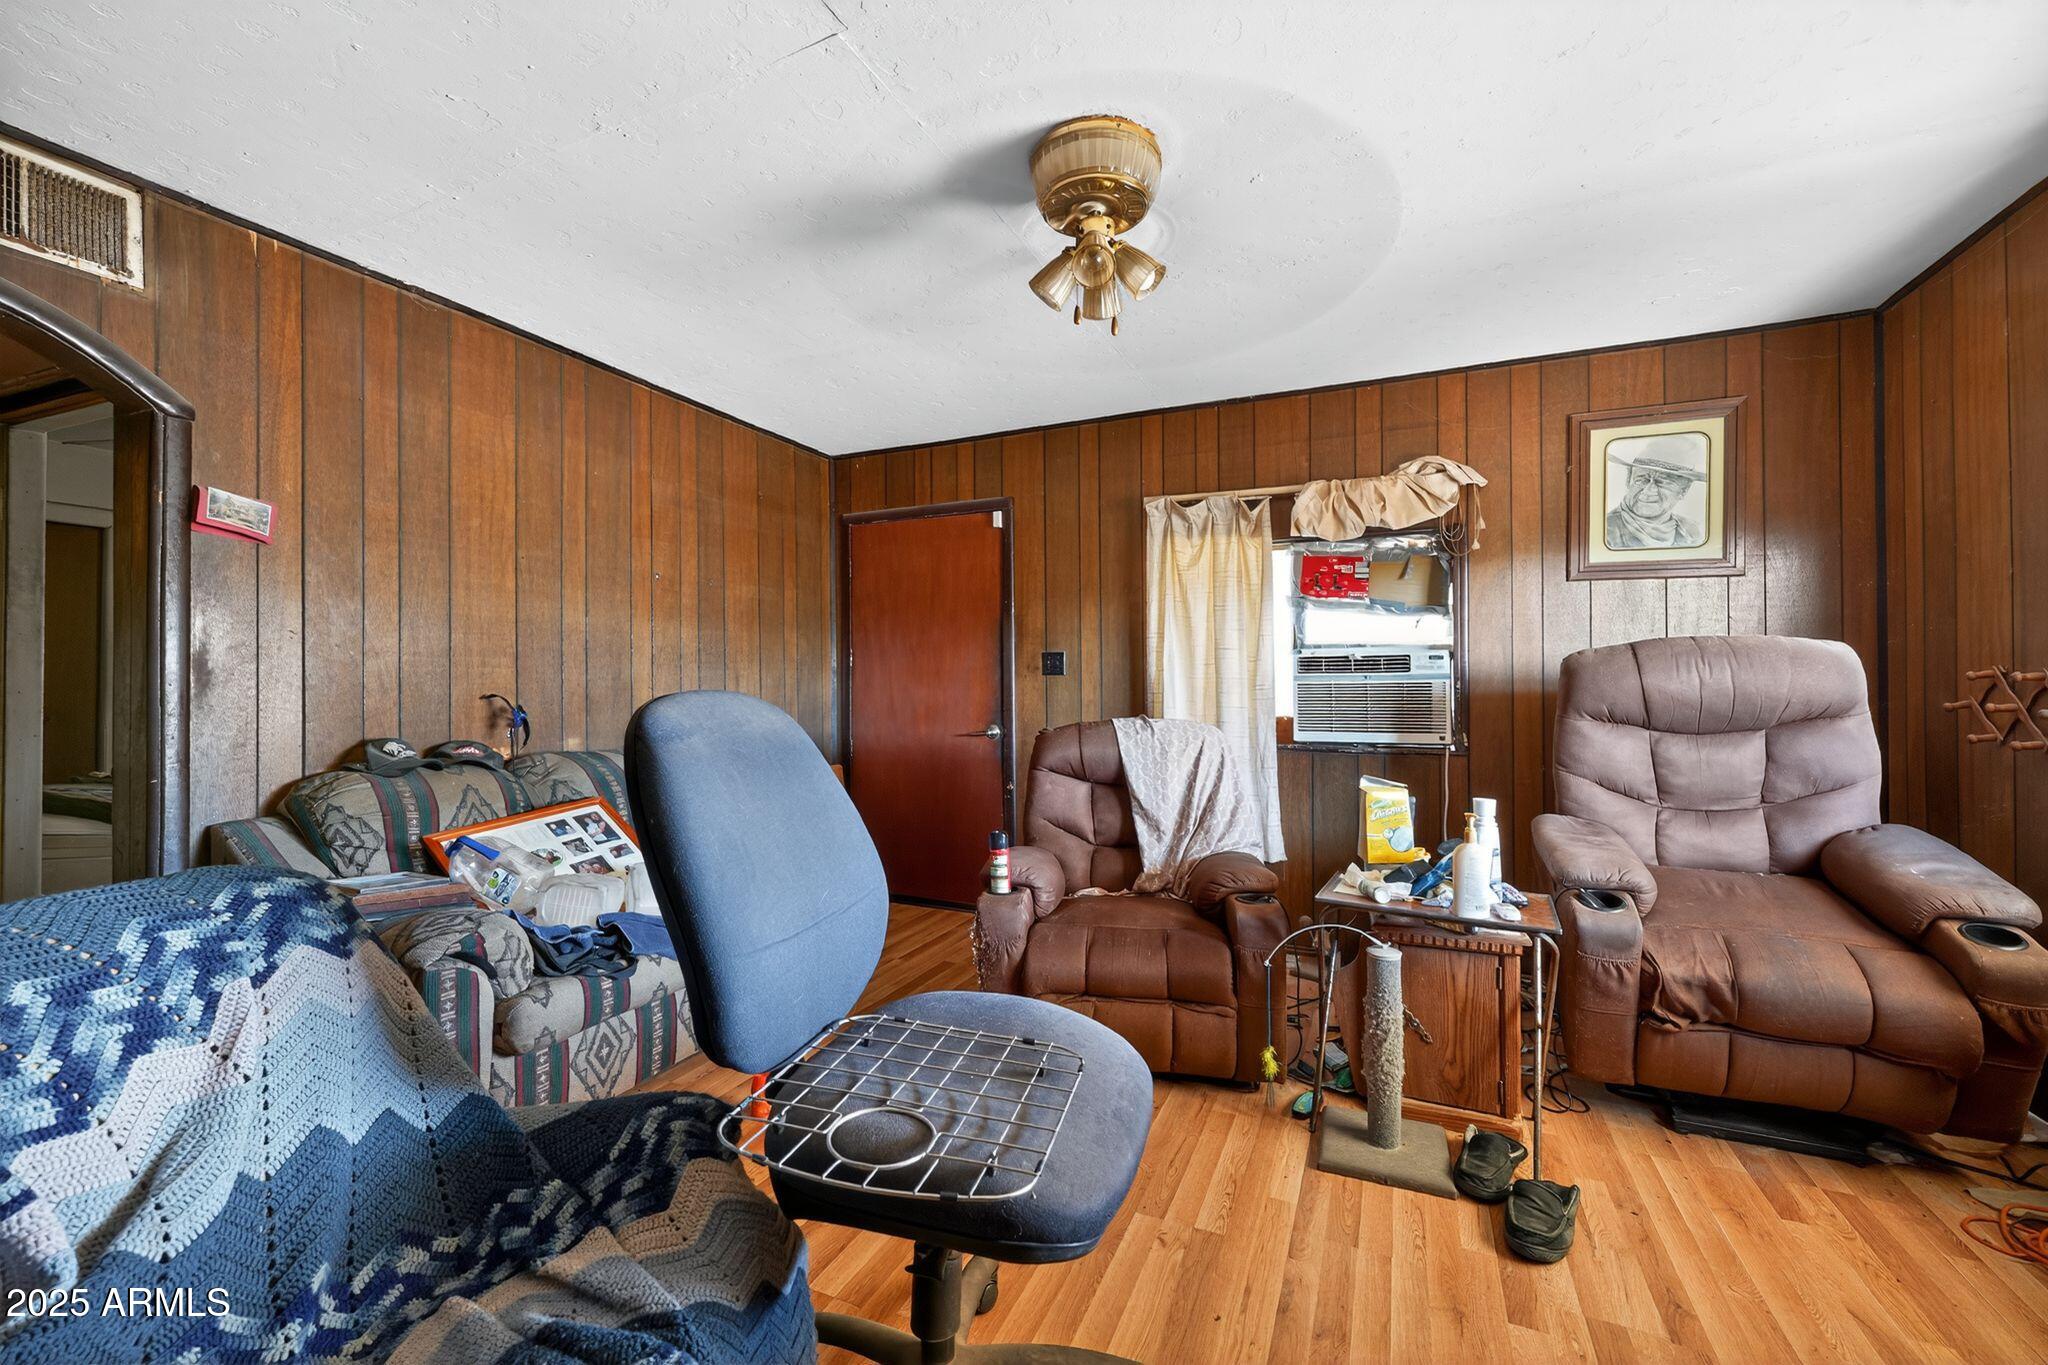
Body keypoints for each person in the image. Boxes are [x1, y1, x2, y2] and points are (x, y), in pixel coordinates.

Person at [1604, 433, 1708, 549]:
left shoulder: (1693, 532)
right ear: (1628, 480)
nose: (1649, 491)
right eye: (1641, 480)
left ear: (1684, 490)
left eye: (1663, 482)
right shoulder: (1604, 530)